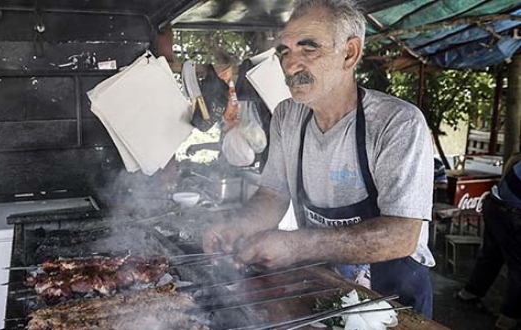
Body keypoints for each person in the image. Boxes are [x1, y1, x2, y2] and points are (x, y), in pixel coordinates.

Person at [203, 0, 435, 318]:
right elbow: (272, 195)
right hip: (321, 286)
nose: (289, 65)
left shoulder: (397, 123)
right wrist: (237, 226)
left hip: (392, 297)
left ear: (350, 53)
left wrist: (296, 245)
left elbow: (402, 234)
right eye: (284, 51)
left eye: (307, 48)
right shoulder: (287, 116)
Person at [457, 153, 521, 330]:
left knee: (492, 254)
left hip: (495, 203)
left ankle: (469, 293)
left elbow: (514, 158)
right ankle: (508, 319)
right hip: (513, 212)